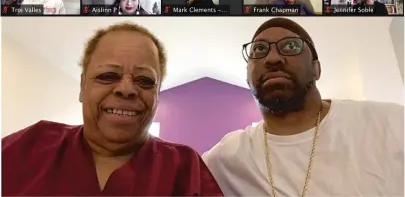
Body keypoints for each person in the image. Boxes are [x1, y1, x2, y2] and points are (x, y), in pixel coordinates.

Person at [2, 22, 224, 196]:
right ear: (82, 86)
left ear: (157, 93)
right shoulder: (28, 147)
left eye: (145, 80)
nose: (126, 89)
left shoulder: (185, 169)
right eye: (108, 76)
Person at [203, 17, 403, 196]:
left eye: (290, 46)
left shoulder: (392, 123)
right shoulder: (223, 160)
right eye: (259, 49)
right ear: (248, 77)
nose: (272, 58)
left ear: (317, 69)